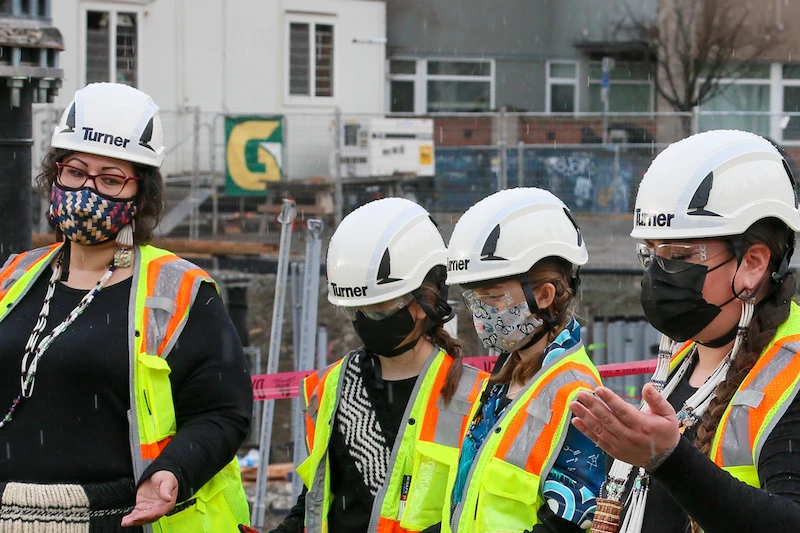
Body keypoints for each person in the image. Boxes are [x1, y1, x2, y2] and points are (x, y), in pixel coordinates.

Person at [0, 83, 253, 532]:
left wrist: (173, 470)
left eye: (110, 179)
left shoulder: (180, 291)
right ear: (54, 175)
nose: (87, 189)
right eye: (75, 171)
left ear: (141, 194)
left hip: (114, 519)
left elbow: (223, 412)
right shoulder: (15, 276)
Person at [569, 129, 800, 533]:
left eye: (678, 255)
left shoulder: (791, 373)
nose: (657, 274)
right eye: (651, 253)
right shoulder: (682, 363)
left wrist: (670, 459)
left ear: (754, 262)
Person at [270, 197, 488, 533]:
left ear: (424, 302)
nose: (362, 322)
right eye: (353, 311)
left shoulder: (475, 399)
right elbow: (317, 500)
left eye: (375, 310)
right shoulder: (331, 387)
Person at [442, 188, 605, 533]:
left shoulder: (575, 392)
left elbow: (573, 522)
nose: (481, 313)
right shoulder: (505, 378)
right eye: (474, 300)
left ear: (544, 296)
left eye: (494, 298)